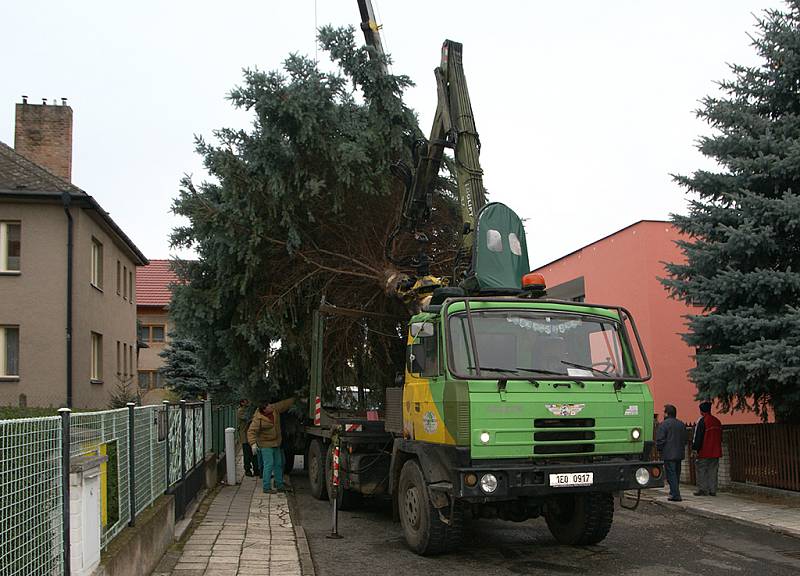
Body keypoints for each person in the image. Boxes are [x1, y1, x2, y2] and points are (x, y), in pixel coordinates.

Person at [247, 396, 295, 493]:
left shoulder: (273, 409)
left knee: (278, 464)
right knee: (269, 464)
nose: (271, 407)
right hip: (265, 445)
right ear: (264, 409)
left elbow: (283, 404)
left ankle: (279, 484)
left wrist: (295, 400)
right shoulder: (258, 419)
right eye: (269, 406)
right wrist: (253, 444)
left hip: (276, 443)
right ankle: (266, 487)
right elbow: (251, 431)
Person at [656, 404, 687, 502]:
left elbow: (660, 440)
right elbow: (685, 439)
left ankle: (675, 494)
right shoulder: (681, 424)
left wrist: (660, 449)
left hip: (668, 454)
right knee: (676, 474)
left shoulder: (664, 425)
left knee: (671, 475)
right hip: (679, 453)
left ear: (666, 413)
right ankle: (675, 491)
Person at [692, 401, 722, 496]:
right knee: (713, 470)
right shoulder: (717, 421)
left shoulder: (702, 421)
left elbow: (698, 437)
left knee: (702, 470)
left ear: (701, 411)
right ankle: (713, 490)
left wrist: (695, 449)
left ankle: (703, 489)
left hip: (704, 451)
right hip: (716, 451)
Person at [237, 399, 257, 477]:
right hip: (245, 436)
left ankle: (256, 469)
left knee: (254, 453)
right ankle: (247, 469)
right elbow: (248, 418)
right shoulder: (241, 411)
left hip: (251, 435)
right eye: (246, 401)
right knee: (247, 453)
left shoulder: (249, 410)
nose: (248, 402)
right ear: (242, 403)